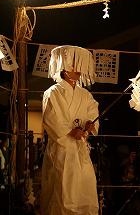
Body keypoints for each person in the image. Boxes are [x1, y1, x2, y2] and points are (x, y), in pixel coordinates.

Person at [40, 45, 99, 215]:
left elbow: (92, 112)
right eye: (74, 64)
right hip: (62, 149)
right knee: (63, 192)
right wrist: (69, 131)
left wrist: (89, 125)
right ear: (64, 68)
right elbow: (52, 120)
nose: (78, 69)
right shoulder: (53, 92)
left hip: (80, 149)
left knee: (84, 189)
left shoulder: (85, 95)